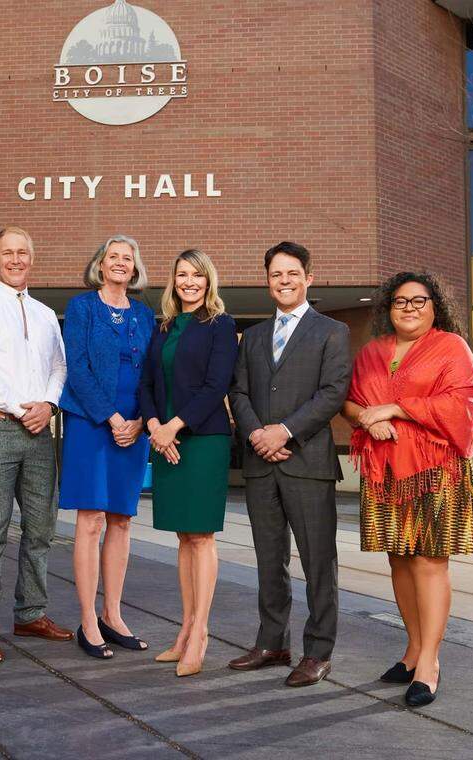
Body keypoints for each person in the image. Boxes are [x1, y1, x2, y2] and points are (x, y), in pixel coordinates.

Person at [342, 272, 473, 708]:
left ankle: (430, 662)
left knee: (428, 562)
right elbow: (350, 402)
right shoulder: (372, 351)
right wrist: (367, 417)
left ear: (434, 306)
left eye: (418, 300)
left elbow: (464, 402)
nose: (409, 308)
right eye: (400, 301)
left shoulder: (451, 347)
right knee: (399, 560)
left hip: (436, 469)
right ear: (388, 307)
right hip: (385, 471)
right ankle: (411, 649)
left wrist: (395, 406)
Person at [227, 241, 352, 688]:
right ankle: (272, 642)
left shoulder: (332, 331)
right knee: (269, 559)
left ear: (308, 278)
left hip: (308, 463)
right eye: (277, 274)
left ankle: (318, 651)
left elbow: (333, 392)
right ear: (268, 282)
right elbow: (238, 393)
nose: (285, 281)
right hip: (262, 465)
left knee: (319, 562)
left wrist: (284, 431)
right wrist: (258, 434)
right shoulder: (254, 336)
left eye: (293, 273)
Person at [0, 226, 72, 664]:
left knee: (41, 529)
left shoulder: (46, 314)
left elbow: (59, 366)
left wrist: (48, 404)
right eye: (7, 253)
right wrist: (20, 408)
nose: (15, 259)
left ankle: (30, 613)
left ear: (32, 258)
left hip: (40, 433)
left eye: (22, 252)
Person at [138, 249, 237, 677]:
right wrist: (157, 427)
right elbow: (146, 384)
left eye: (197, 275)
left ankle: (201, 633)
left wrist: (174, 426)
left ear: (208, 280)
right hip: (166, 439)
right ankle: (184, 630)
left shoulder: (220, 325)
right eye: (182, 274)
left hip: (203, 439)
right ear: (173, 280)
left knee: (201, 537)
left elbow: (218, 386)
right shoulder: (163, 327)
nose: (189, 282)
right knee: (182, 537)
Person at [58, 235, 156, 659]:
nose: (119, 263)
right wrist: (113, 418)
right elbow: (76, 367)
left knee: (121, 520)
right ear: (100, 266)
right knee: (92, 520)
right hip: (91, 424)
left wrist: (139, 422)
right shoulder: (82, 308)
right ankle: (86, 621)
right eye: (113, 257)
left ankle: (112, 616)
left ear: (134, 269)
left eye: (127, 259)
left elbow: (153, 373)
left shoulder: (146, 315)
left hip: (134, 428)